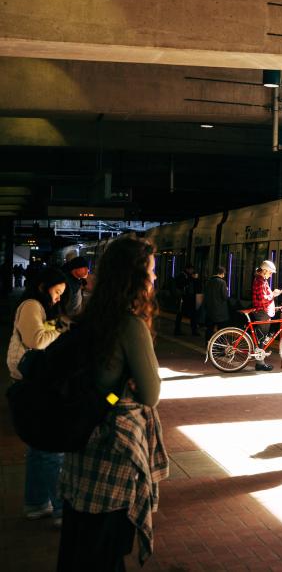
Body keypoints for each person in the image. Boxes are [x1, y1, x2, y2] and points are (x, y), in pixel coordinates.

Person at [57, 236, 168, 572]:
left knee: (79, 542)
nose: (154, 278)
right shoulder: (130, 324)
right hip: (111, 452)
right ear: (135, 278)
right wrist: (130, 385)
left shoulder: (91, 316)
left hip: (82, 445)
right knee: (105, 551)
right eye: (150, 272)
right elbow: (151, 394)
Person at [7, 267, 68, 527]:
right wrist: (63, 330)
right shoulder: (31, 305)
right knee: (51, 447)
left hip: (31, 380)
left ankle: (36, 503)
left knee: (37, 448)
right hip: (33, 382)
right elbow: (36, 341)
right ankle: (59, 510)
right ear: (43, 287)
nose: (57, 299)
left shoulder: (38, 306)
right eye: (56, 292)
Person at [251, 260, 282, 372]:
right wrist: (274, 294)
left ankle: (260, 361)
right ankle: (260, 363)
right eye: (270, 272)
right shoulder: (260, 281)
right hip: (262, 312)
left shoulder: (261, 280)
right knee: (262, 338)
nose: (271, 275)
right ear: (264, 271)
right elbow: (264, 299)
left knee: (262, 337)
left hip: (263, 311)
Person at [172, 264, 201, 336]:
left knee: (189, 314)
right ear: (187, 269)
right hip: (184, 298)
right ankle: (178, 330)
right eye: (191, 269)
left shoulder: (187, 276)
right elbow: (182, 284)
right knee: (183, 314)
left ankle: (193, 330)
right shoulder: (182, 276)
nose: (192, 271)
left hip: (189, 298)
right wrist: (192, 278)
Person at [204, 266, 230, 340]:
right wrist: (226, 290)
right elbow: (225, 297)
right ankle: (218, 345)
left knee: (209, 329)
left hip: (209, 310)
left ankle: (208, 343)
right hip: (220, 312)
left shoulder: (208, 282)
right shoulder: (222, 282)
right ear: (222, 273)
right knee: (221, 330)